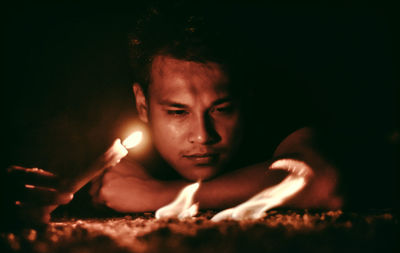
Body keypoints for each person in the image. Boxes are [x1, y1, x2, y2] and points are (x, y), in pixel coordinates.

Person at [2, 4, 344, 227]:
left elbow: (324, 181)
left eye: (221, 109)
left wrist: (157, 195)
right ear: (142, 105)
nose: (202, 135)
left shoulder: (273, 104)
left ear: (245, 97)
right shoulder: (95, 122)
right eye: (178, 111)